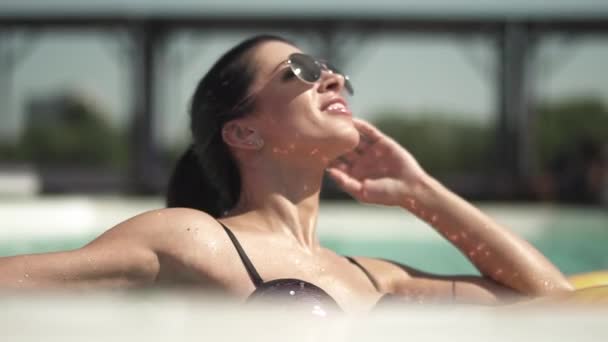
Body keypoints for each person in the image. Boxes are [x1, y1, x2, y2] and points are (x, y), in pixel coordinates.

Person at [0, 35, 572, 314]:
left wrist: (422, 193)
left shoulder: (376, 278)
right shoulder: (191, 238)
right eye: (299, 70)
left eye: (331, 70)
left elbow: (549, 302)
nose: (333, 79)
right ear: (243, 132)